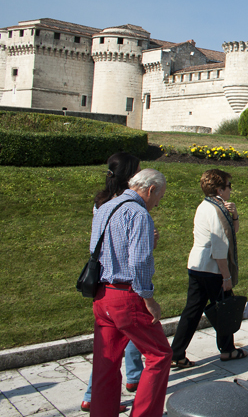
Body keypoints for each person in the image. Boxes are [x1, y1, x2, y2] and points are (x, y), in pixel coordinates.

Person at [90, 169, 172, 417]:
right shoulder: (139, 214)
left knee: (106, 361)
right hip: (126, 296)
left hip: (102, 294)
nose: (157, 203)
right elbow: (138, 261)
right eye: (159, 197)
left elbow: (96, 249)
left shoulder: (105, 207)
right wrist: (148, 297)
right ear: (151, 190)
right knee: (159, 355)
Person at [82, 152, 145, 413]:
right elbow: (133, 251)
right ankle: (130, 381)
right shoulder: (128, 205)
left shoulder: (102, 201)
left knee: (109, 346)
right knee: (127, 340)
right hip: (122, 279)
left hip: (104, 281)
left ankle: (129, 379)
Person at [171, 169, 246, 368]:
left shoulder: (207, 206)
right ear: (220, 190)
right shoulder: (216, 211)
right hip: (212, 268)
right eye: (229, 186)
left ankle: (177, 353)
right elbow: (219, 246)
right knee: (224, 308)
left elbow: (232, 232)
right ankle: (228, 350)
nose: (230, 190)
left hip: (197, 265)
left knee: (192, 311)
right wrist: (226, 276)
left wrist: (235, 214)